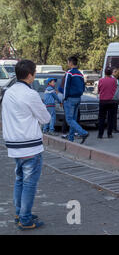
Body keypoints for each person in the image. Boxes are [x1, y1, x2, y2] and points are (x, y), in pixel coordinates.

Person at [2, 60, 51, 230]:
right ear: (30, 75)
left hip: (14, 145)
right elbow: (46, 118)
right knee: (29, 183)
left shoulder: (8, 92)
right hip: (30, 146)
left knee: (20, 179)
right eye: (35, 72)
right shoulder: (30, 94)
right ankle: (25, 218)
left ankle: (19, 212)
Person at [62, 56, 89, 144]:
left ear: (70, 62)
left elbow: (66, 86)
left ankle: (83, 133)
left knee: (69, 120)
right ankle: (71, 139)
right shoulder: (80, 74)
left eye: (67, 62)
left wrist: (64, 98)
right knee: (73, 119)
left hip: (70, 98)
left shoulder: (69, 73)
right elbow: (83, 86)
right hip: (78, 98)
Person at [97, 67, 117, 139]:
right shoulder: (114, 80)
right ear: (111, 73)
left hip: (103, 101)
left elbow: (99, 90)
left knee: (101, 118)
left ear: (104, 73)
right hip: (112, 101)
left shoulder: (101, 80)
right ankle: (109, 134)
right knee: (110, 118)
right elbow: (116, 89)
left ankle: (100, 134)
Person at [111, 67, 119, 133]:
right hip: (114, 98)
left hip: (112, 98)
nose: (116, 73)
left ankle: (113, 128)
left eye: (116, 71)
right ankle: (114, 128)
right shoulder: (114, 79)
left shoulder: (115, 79)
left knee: (113, 114)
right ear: (112, 72)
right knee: (114, 114)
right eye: (115, 71)